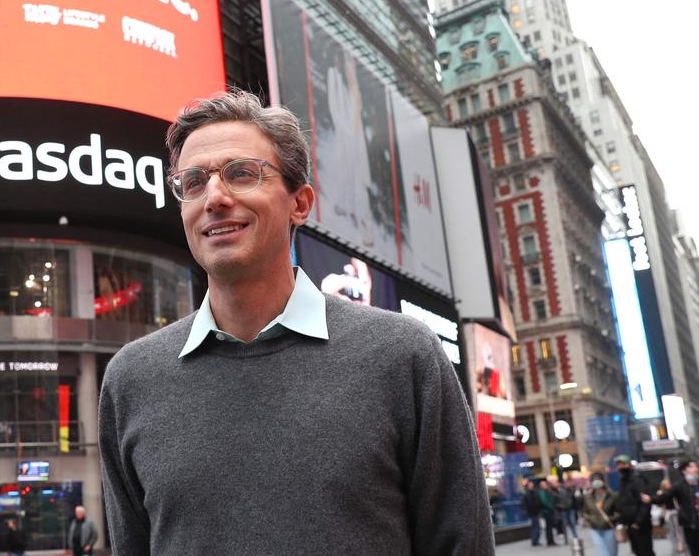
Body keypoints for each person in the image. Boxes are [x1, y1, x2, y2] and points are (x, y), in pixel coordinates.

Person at [97, 90, 493, 555]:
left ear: (299, 204)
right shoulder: (131, 379)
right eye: (194, 182)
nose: (215, 197)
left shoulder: (402, 355)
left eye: (241, 173)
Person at [654, 459, 699, 556]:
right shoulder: (679, 486)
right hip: (691, 528)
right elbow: (664, 497)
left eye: (696, 466)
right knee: (695, 552)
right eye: (691, 466)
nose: (695, 468)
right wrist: (650, 499)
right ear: (684, 471)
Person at [614, 455, 656, 556]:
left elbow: (645, 502)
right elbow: (623, 501)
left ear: (629, 464)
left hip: (640, 523)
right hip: (629, 522)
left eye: (623, 464)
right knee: (637, 550)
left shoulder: (637, 479)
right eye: (618, 465)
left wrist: (638, 521)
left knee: (645, 551)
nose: (620, 467)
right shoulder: (623, 480)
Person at [580, 473, 621, 556]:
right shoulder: (588, 497)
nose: (596, 482)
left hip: (609, 527)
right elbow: (585, 512)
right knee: (603, 553)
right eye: (594, 480)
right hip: (595, 528)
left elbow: (619, 511)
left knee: (612, 553)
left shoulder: (611, 495)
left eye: (598, 479)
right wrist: (591, 519)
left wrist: (611, 519)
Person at [524, 479, 548, 545]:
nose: (531, 486)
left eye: (532, 485)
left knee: (537, 527)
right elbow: (525, 504)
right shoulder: (527, 494)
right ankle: (534, 540)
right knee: (536, 527)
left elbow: (538, 502)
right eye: (530, 485)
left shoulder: (535, 493)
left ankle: (535, 540)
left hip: (536, 512)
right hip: (532, 513)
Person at [538, 480, 558, 547]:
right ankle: (550, 541)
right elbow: (545, 501)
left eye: (545, 484)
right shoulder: (542, 492)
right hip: (547, 511)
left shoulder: (547, 491)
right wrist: (551, 507)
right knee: (549, 527)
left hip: (549, 511)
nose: (545, 486)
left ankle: (551, 540)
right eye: (543, 485)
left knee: (550, 527)